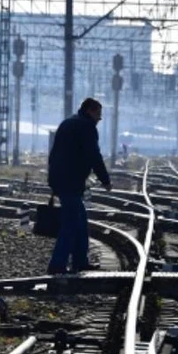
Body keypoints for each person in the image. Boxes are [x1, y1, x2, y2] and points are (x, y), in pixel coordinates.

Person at [47, 98, 112, 275]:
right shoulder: (86, 127)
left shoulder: (68, 122)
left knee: (80, 221)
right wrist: (105, 179)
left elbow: (53, 154)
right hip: (70, 181)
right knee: (71, 223)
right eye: (98, 114)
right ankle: (57, 265)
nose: (100, 118)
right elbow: (94, 155)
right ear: (90, 111)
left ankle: (80, 261)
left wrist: (53, 180)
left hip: (62, 180)